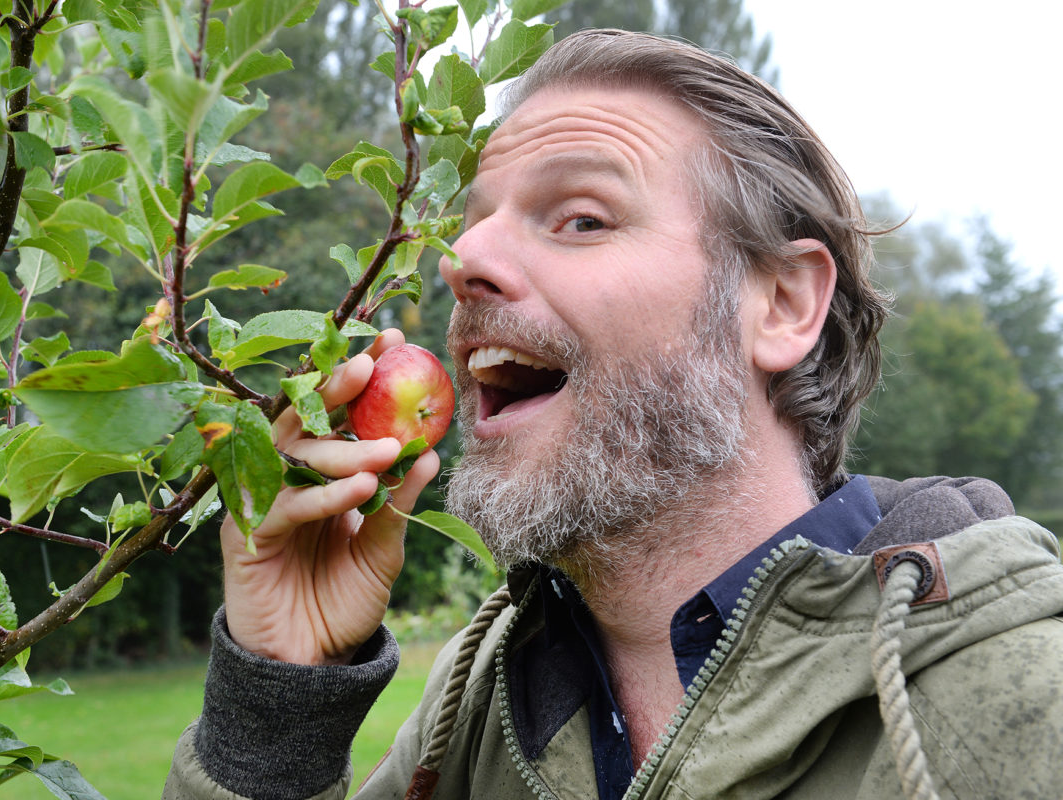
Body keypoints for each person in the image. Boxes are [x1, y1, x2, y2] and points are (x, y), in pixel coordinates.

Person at [165, 29, 1063, 800]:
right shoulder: (474, 710)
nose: (461, 258)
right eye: (472, 224)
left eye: (583, 219)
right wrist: (277, 696)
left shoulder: (1024, 707)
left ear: (783, 304)